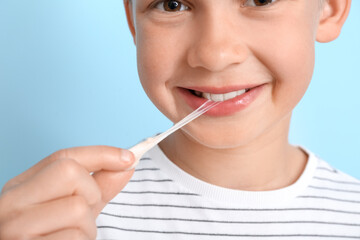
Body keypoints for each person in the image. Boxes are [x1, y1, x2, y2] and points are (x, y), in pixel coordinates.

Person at [0, 0, 359, 239]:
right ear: (133, 22)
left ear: (329, 8)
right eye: (172, 3)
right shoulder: (70, 220)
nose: (215, 54)